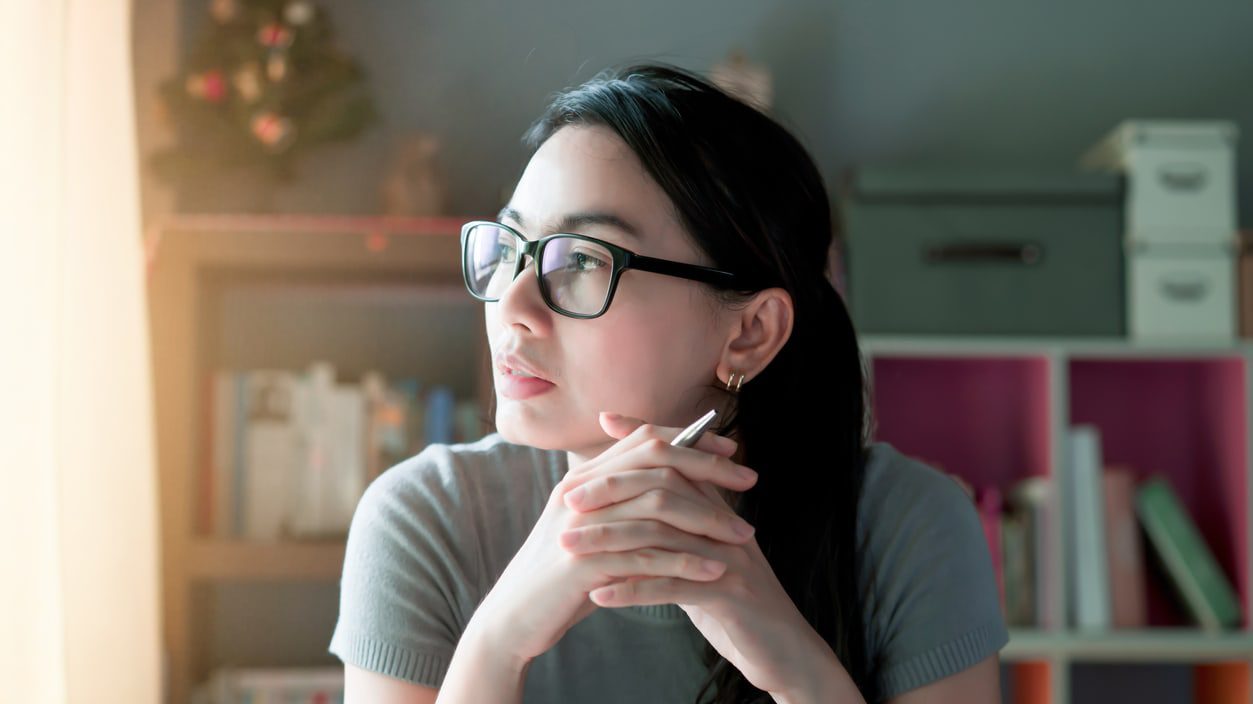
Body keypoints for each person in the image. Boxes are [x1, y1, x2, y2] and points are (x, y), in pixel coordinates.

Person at [329, 63, 1008, 704]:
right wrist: (497, 643)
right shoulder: (426, 518)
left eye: (583, 262)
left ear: (749, 333)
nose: (512, 305)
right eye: (509, 248)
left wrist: (798, 671)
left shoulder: (904, 527)